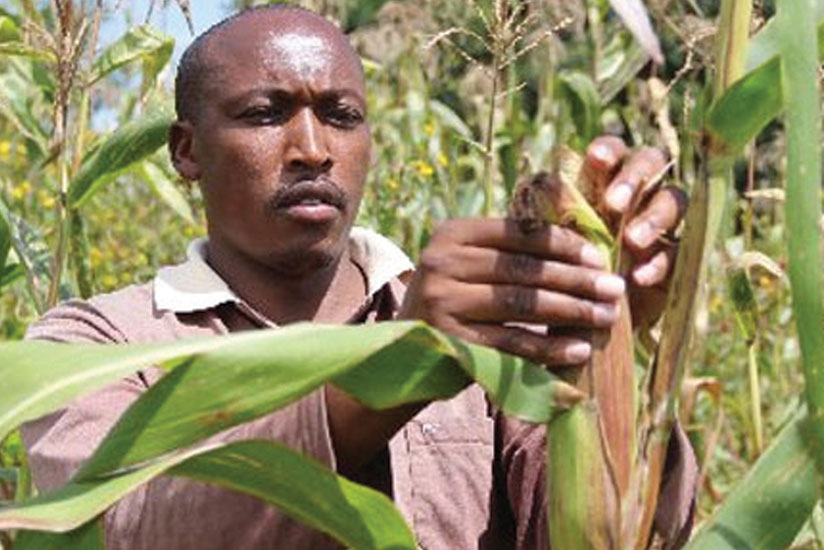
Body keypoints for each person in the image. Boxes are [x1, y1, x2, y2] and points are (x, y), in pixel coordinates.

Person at [22, 5, 694, 550]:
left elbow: (614, 535)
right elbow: (118, 530)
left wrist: (609, 347)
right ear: (188, 150)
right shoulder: (94, 346)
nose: (313, 150)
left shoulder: (491, 334)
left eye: (341, 116)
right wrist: (397, 371)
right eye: (264, 112)